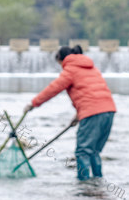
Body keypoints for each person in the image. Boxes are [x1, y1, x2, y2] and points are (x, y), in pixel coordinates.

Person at [23, 44, 117, 182]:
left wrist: (33, 104)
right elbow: (91, 93)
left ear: (62, 59)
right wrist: (79, 115)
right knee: (94, 151)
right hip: (109, 110)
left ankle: (83, 183)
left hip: (92, 113)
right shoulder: (91, 68)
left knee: (82, 152)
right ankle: (98, 181)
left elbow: (53, 89)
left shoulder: (70, 69)